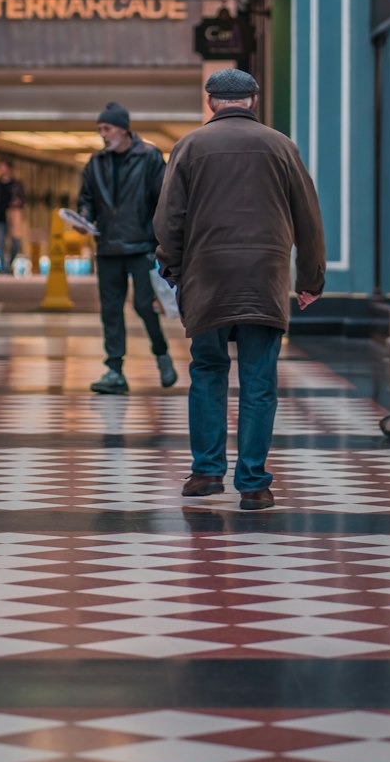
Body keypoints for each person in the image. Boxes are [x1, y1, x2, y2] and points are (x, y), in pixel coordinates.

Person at [154, 67, 326, 510]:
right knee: (259, 381)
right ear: (253, 99)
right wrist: (310, 280)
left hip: (206, 278)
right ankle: (254, 483)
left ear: (210, 101)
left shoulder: (189, 146)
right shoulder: (281, 146)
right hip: (264, 278)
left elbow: (168, 218)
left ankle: (207, 472)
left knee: (208, 372)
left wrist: (172, 268)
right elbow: (309, 217)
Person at [76, 101, 177, 395]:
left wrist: (163, 241)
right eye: (99, 130)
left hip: (142, 246)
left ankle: (161, 353)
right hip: (107, 246)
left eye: (106, 128)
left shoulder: (149, 157)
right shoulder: (96, 163)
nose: (102, 134)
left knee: (145, 305)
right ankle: (114, 370)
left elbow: (164, 200)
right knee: (110, 309)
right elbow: (86, 198)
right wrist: (83, 217)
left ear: (122, 128)